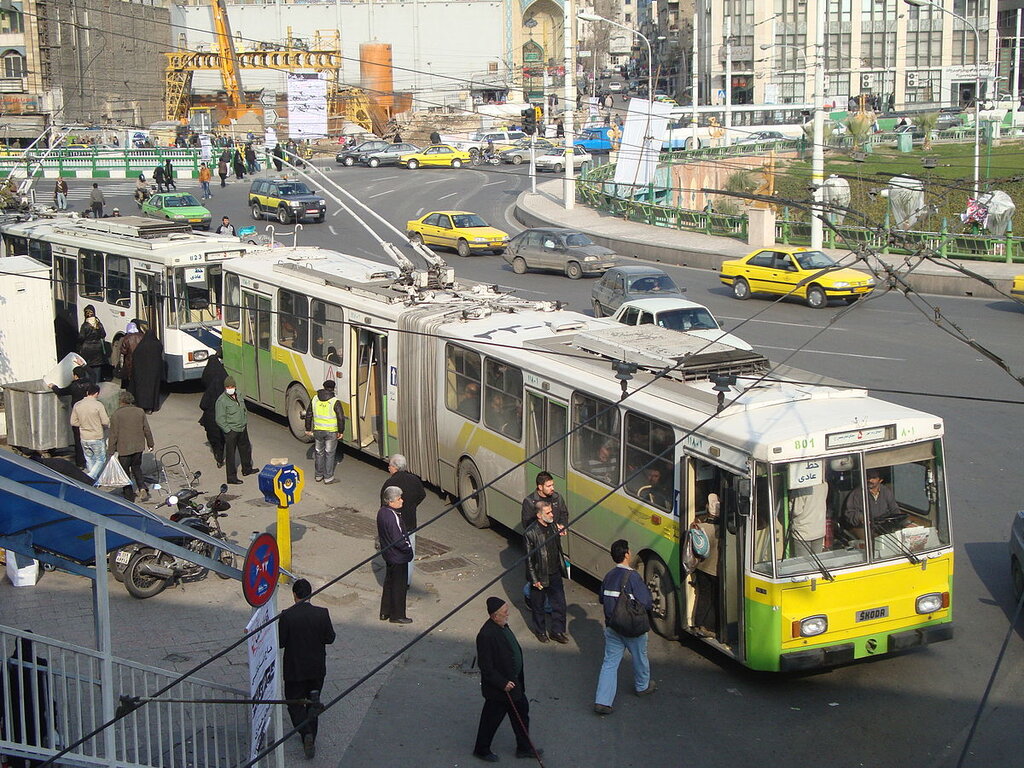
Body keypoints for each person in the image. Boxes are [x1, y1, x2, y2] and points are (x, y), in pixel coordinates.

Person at [473, 596, 540, 762]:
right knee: (491, 720)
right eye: (505, 613)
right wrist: (502, 683)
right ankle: (481, 749)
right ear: (495, 616)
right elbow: (486, 667)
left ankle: (524, 747)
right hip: (501, 689)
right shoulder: (486, 635)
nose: (508, 615)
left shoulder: (502, 626)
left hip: (513, 684)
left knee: (521, 713)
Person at [594, 539, 655, 715]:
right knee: (640, 657)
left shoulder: (608, 576)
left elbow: (601, 598)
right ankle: (642, 686)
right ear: (627, 554)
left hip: (613, 627)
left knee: (610, 664)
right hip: (632, 629)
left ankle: (603, 701)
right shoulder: (633, 577)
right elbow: (646, 602)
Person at [278, 578, 336, 760]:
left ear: (294, 595)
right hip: (316, 668)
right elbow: (330, 638)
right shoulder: (322, 613)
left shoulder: (287, 616)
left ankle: (305, 733)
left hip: (295, 670)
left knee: (294, 702)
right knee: (313, 701)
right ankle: (311, 734)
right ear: (311, 594)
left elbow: (281, 642)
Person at [4, 636, 56, 768]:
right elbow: (47, 692)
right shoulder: (39, 664)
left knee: (17, 750)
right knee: (36, 749)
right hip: (35, 714)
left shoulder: (9, 665)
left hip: (16, 716)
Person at [524, 499, 568, 644]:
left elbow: (557, 548)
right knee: (538, 606)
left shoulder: (553, 527)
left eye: (551, 512)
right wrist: (534, 579)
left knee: (559, 604)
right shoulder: (530, 533)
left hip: (555, 572)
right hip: (540, 575)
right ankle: (540, 631)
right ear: (539, 515)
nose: (552, 515)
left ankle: (557, 631)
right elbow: (529, 559)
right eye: (548, 513)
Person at [380, 454, 426, 585]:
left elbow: (384, 507)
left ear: (394, 467)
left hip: (394, 525)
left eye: (389, 465)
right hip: (410, 522)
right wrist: (412, 506)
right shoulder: (414, 480)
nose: (388, 468)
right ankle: (407, 582)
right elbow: (422, 495)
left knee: (394, 553)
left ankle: (396, 581)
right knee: (409, 552)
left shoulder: (390, 484)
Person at [107, 390, 154, 502]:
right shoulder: (140, 411)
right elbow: (146, 429)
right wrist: (150, 443)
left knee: (125, 472)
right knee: (137, 468)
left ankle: (129, 495)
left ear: (121, 401)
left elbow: (114, 434)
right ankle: (142, 487)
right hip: (138, 447)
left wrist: (111, 450)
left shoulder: (116, 414)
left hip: (124, 449)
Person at [377, 486, 413, 624]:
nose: (402, 501)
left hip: (388, 555)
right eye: (399, 499)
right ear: (391, 502)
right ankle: (397, 615)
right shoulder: (393, 516)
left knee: (389, 583)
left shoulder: (382, 512)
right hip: (398, 556)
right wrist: (408, 548)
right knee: (399, 586)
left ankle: (385, 611)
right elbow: (399, 538)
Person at [215, 376, 257, 484]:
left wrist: (244, 421)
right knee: (231, 454)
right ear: (225, 388)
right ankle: (231, 477)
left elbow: (243, 409)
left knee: (246, 448)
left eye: (232, 386)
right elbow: (219, 418)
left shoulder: (238, 394)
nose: (230, 388)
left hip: (242, 427)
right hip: (232, 430)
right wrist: (228, 430)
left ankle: (247, 469)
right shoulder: (222, 400)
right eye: (228, 387)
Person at [304, 379, 345, 483]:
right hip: (331, 432)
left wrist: (308, 429)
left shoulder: (314, 399)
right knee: (329, 454)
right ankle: (328, 477)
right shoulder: (334, 401)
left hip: (318, 431)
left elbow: (308, 414)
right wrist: (341, 431)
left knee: (319, 452)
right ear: (333, 388)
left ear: (323, 386)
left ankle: (318, 475)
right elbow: (341, 418)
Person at [51, 365, 93, 468]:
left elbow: (61, 392)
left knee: (78, 438)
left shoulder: (74, 386)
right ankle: (91, 460)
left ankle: (81, 462)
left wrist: (53, 386)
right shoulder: (90, 382)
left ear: (75, 376)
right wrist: (84, 365)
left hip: (78, 414)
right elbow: (93, 373)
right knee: (90, 436)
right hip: (89, 412)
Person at [691, 493, 720, 637]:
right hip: (716, 571)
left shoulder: (700, 527)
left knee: (703, 596)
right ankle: (710, 627)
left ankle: (698, 623)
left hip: (702, 568)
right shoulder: (723, 530)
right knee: (715, 599)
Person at [843, 468, 903, 534]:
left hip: (882, 526)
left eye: (873, 478)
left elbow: (894, 510)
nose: (870, 480)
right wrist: (861, 518)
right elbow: (849, 514)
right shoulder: (857, 493)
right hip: (862, 527)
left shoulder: (886, 491)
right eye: (868, 477)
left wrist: (902, 522)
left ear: (880, 480)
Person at [70, 382, 109, 478]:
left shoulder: (77, 405)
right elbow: (105, 421)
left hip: (84, 437)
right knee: (100, 459)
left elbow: (73, 422)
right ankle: (91, 477)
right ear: (97, 393)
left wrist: (83, 424)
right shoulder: (98, 405)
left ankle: (93, 479)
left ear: (87, 392)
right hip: (96, 436)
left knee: (89, 459)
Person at [199, 350, 227, 467]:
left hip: (211, 420)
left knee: (215, 440)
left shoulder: (209, 393)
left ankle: (218, 457)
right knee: (223, 437)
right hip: (223, 419)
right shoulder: (223, 374)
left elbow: (202, 405)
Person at [128, 325, 163, 413]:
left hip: (142, 372)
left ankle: (143, 406)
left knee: (142, 390)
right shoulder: (158, 344)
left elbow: (135, 356)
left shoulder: (142, 346)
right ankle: (152, 407)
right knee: (153, 389)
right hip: (154, 373)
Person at [788, 482, 828, 555]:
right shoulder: (824, 484)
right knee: (817, 560)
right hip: (819, 529)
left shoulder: (801, 487)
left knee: (804, 563)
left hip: (803, 532)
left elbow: (796, 511)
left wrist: (789, 504)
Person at [76, 305, 107, 383]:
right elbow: (103, 334)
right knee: (97, 370)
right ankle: (96, 386)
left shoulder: (85, 325)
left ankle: (88, 386)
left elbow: (81, 337)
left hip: (87, 350)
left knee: (87, 368)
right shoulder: (98, 324)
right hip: (98, 349)